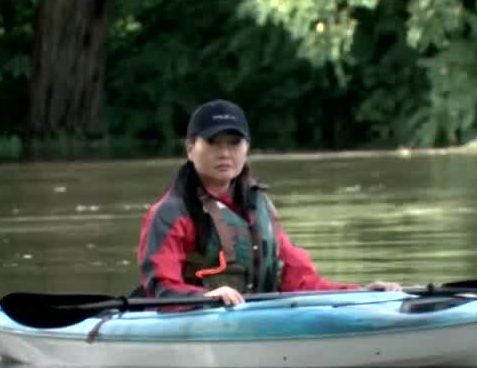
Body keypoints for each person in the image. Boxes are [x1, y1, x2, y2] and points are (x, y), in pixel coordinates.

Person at [136, 99, 401, 306]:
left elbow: (300, 281)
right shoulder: (171, 213)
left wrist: (361, 293)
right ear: (190, 148)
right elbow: (162, 287)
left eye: (234, 143)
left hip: (255, 316)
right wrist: (203, 299)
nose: (225, 153)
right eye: (213, 143)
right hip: (195, 320)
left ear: (247, 147)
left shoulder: (260, 207)